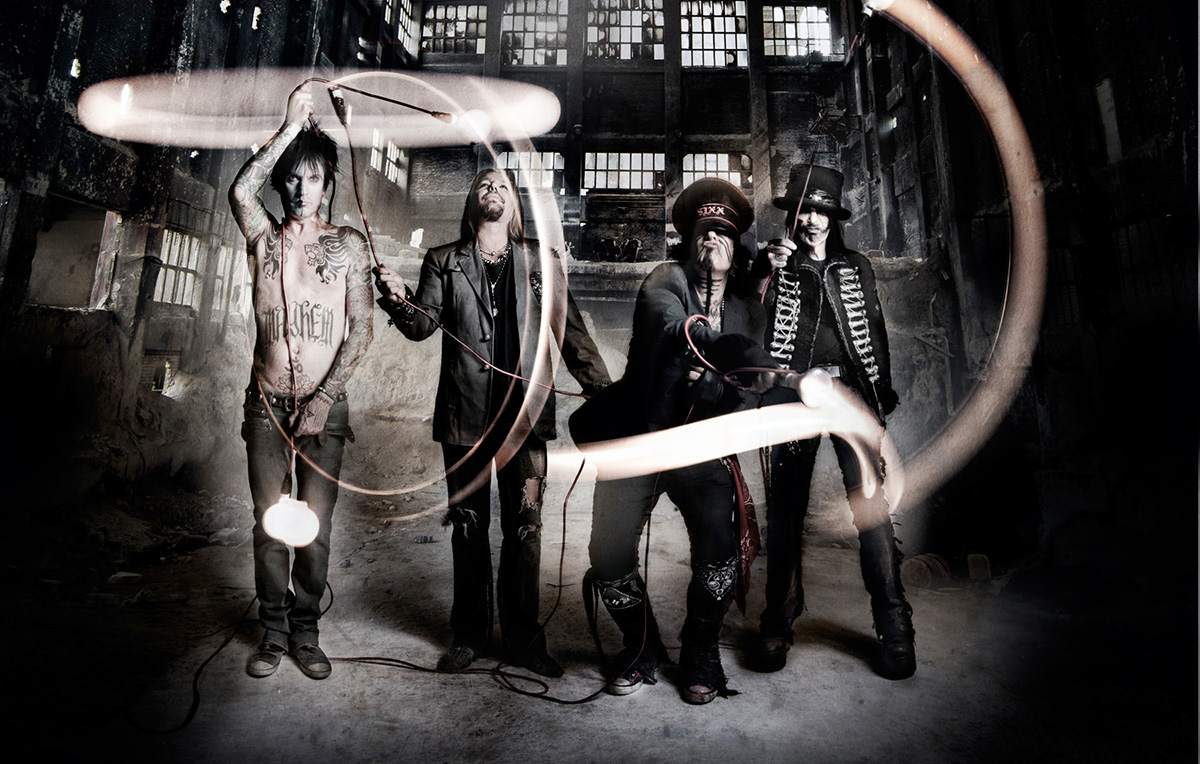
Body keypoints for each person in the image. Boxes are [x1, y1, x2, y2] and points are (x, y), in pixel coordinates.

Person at [374, 168, 611, 677]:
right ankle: (469, 636)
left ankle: (524, 641)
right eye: (485, 184)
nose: (494, 190)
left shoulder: (540, 261)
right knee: (468, 527)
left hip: (525, 422)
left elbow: (570, 330)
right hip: (465, 419)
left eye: (503, 186)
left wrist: (603, 390)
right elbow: (420, 326)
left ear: (515, 206)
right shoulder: (444, 260)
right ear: (472, 201)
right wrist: (397, 297)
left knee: (525, 528)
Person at [571, 179, 777, 704]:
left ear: (737, 247)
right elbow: (671, 327)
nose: (712, 240)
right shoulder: (664, 279)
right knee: (608, 554)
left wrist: (723, 389)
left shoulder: (749, 309)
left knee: (720, 552)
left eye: (724, 234)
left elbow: (749, 393)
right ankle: (641, 647)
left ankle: (701, 651)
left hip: (701, 447)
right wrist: (731, 355)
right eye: (704, 231)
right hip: (638, 437)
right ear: (688, 239)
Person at [228, 83, 374, 680]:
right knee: (270, 522)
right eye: (291, 177)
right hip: (265, 405)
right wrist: (291, 126)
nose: (300, 189)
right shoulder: (263, 238)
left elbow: (362, 331)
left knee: (314, 527)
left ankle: (306, 631)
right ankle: (271, 630)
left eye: (312, 178)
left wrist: (325, 397)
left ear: (327, 184)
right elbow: (241, 190)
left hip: (324, 410)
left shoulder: (349, 247)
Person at [751, 163, 913, 679]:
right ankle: (778, 619)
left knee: (871, 508)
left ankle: (894, 624)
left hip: (850, 396)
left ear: (833, 218)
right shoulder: (777, 263)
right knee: (786, 510)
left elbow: (875, 334)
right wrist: (763, 273)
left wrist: (877, 402)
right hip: (793, 397)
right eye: (805, 212)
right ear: (793, 217)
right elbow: (750, 320)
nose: (813, 221)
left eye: (822, 212)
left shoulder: (856, 267)